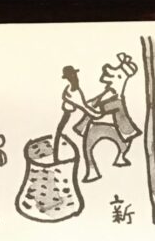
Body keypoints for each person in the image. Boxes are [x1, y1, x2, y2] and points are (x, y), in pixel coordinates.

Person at [75, 53, 141, 182]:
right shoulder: (109, 92)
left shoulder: (117, 101)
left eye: (116, 75)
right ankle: (93, 170)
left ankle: (119, 158)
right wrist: (87, 105)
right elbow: (94, 104)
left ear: (120, 78)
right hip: (104, 126)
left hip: (121, 130)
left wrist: (80, 104)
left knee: (121, 144)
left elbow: (97, 113)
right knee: (88, 144)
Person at [54, 65, 96, 163]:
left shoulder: (74, 89)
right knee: (81, 152)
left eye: (75, 74)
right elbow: (84, 107)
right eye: (71, 75)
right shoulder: (71, 92)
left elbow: (84, 104)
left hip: (70, 126)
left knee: (81, 151)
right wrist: (98, 115)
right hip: (69, 127)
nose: (75, 77)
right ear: (68, 78)